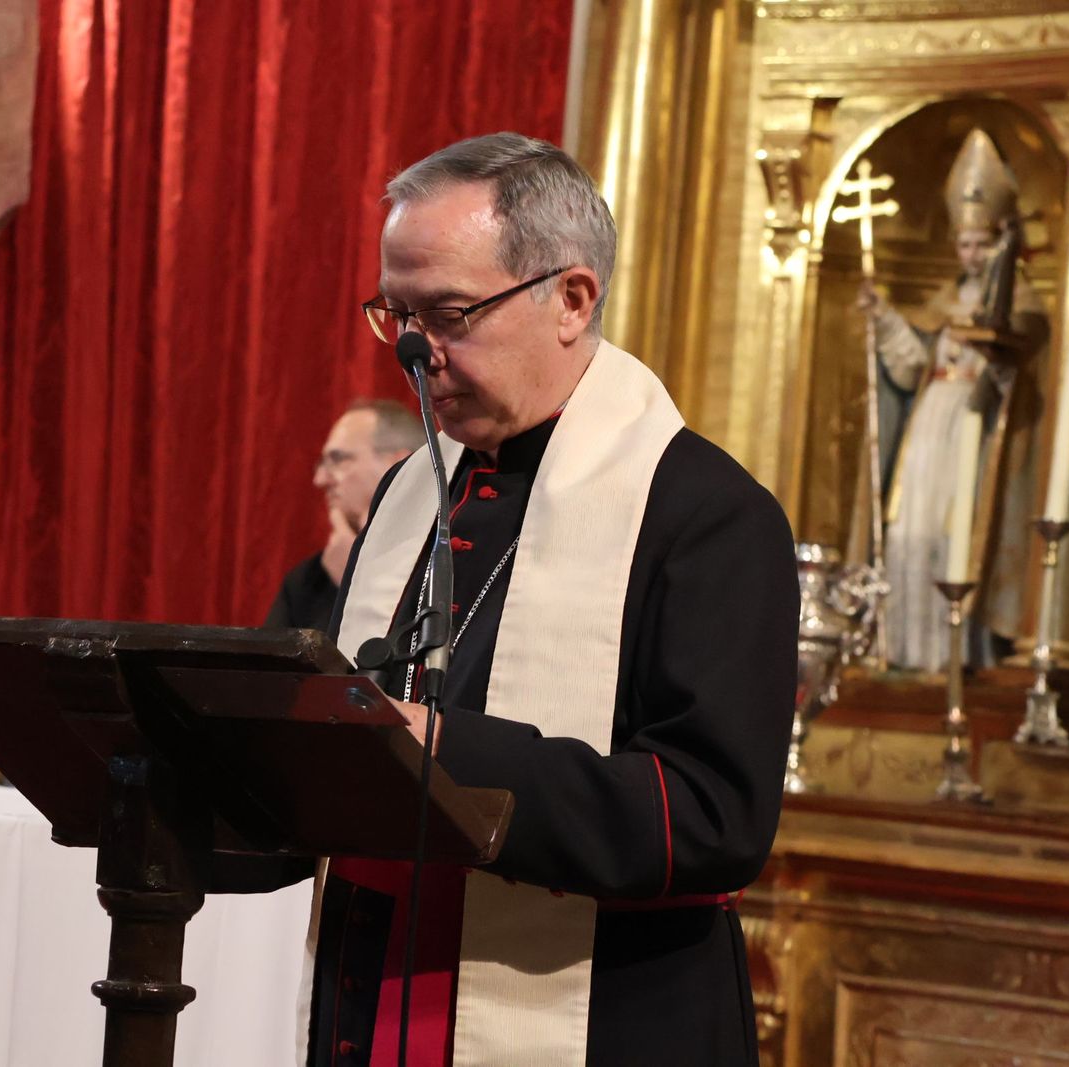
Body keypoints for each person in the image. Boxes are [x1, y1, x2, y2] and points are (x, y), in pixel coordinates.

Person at [302, 133, 797, 1066]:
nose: (414, 351)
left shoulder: (707, 515)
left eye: (447, 313)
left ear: (572, 299)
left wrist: (446, 753)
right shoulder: (414, 494)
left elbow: (713, 817)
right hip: (377, 1002)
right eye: (394, 313)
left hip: (611, 1016)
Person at [857, 129, 1049, 670]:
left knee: (954, 530)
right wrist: (886, 317)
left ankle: (954, 654)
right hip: (931, 424)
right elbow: (914, 365)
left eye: (981, 244)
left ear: (1001, 244)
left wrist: (996, 354)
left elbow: (1024, 374)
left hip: (974, 428)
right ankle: (906, 647)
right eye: (963, 244)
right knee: (911, 527)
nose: (970, 254)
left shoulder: (1025, 306)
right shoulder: (944, 300)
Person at [265, 399, 423, 630]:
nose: (319, 480)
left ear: (399, 464)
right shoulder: (308, 580)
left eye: (338, 460)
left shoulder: (449, 556)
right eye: (322, 463)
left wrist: (356, 582)